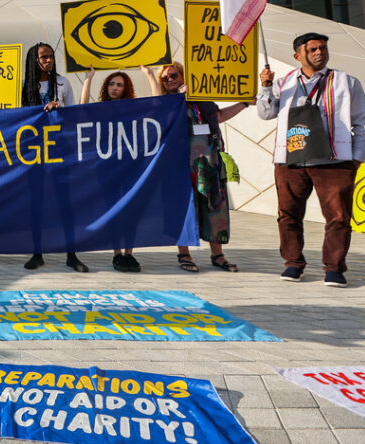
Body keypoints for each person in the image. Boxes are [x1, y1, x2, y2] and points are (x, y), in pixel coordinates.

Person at [257, 32, 365, 287]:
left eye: (323, 48)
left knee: (339, 217)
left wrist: (356, 158)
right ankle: (293, 264)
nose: (320, 52)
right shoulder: (284, 82)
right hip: (291, 160)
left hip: (333, 161)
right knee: (288, 215)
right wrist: (265, 86)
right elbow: (266, 114)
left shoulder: (346, 82)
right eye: (313, 49)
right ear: (298, 56)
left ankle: (334, 268)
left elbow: (363, 122)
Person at [151, 61, 246, 273]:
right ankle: (184, 253)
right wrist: (178, 98)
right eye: (165, 79)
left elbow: (219, 117)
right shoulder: (167, 102)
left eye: (173, 75)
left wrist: (244, 103)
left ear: (184, 75)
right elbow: (160, 119)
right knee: (185, 208)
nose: (170, 80)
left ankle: (217, 254)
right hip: (181, 164)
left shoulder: (202, 97)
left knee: (215, 206)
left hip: (209, 161)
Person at [20, 42, 87, 272]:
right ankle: (37, 253)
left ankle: (72, 254)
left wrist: (61, 109)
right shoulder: (23, 86)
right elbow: (17, 118)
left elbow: (74, 115)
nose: (48, 60)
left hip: (60, 152)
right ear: (34, 60)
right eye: (43, 57)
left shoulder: (62, 83)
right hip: (33, 155)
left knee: (65, 203)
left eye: (50, 56)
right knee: (36, 204)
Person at [80, 67, 141, 272]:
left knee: (132, 209)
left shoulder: (133, 108)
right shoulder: (101, 109)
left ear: (126, 88)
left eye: (119, 85)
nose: (115, 88)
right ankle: (116, 254)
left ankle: (129, 254)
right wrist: (89, 79)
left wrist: (150, 75)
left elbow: (157, 105)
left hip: (130, 165)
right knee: (113, 209)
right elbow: (82, 109)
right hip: (107, 167)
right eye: (111, 84)